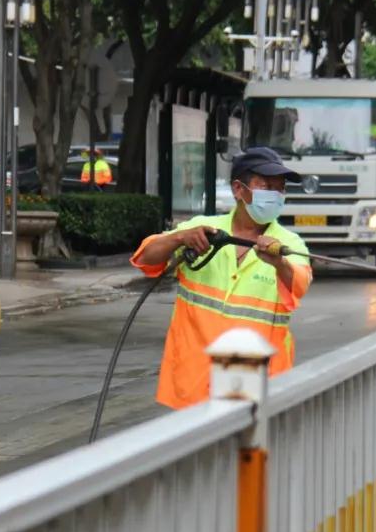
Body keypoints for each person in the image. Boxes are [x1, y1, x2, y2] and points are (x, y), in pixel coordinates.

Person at [131, 147, 313, 409]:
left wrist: (279, 263)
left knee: (247, 439)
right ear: (238, 189)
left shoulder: (288, 244)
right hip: (193, 383)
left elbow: (299, 284)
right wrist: (179, 238)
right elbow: (146, 257)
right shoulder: (202, 230)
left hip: (258, 386)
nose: (275, 195)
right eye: (266, 186)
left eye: (280, 188)